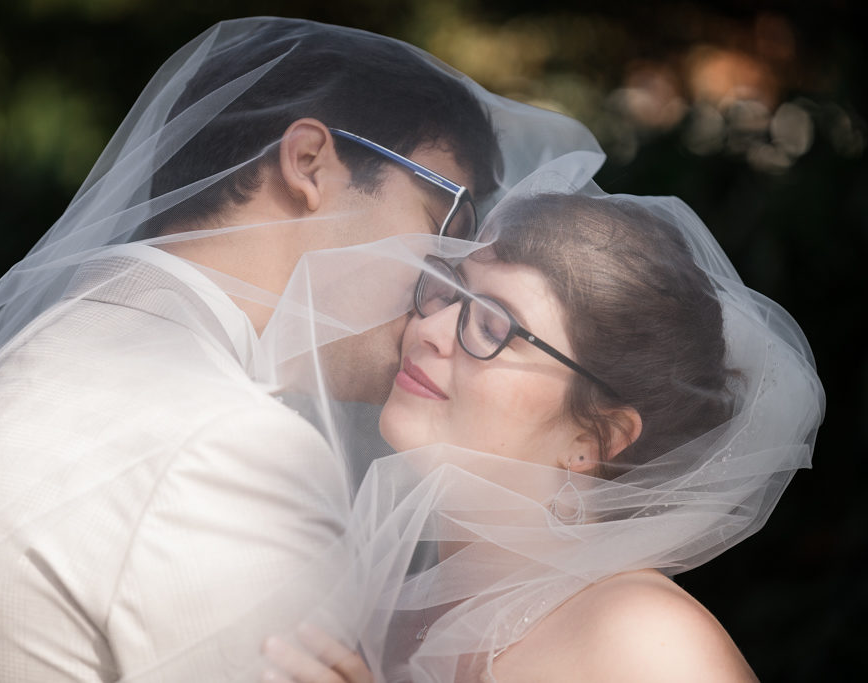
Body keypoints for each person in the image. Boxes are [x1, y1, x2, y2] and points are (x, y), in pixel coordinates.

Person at [0, 18, 608, 682]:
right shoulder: (229, 446)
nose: (441, 287)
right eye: (439, 219)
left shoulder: (29, 359)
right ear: (309, 162)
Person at [257, 165, 824, 681]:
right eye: (448, 291)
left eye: (494, 325)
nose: (427, 330)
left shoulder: (644, 641)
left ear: (593, 438)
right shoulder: (386, 607)